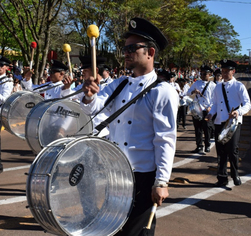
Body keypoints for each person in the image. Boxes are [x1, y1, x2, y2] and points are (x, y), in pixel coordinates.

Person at [79, 17, 178, 235]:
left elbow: (165, 139)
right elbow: (92, 112)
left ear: (150, 52)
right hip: (115, 173)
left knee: (137, 232)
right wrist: (88, 97)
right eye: (124, 48)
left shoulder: (163, 91)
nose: (126, 52)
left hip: (143, 176)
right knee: (114, 230)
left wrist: (161, 180)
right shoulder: (118, 84)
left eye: (132, 48)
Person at [205, 59, 251, 187]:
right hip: (220, 121)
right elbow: (214, 104)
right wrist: (210, 114)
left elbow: (247, 104)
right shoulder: (218, 86)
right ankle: (222, 176)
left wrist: (239, 112)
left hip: (233, 123)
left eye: (227, 71)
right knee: (221, 151)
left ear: (233, 72)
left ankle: (235, 174)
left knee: (232, 149)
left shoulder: (239, 86)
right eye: (223, 71)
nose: (224, 74)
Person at [187, 65, 216, 153]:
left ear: (209, 74)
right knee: (198, 129)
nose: (202, 75)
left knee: (207, 128)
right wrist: (193, 91)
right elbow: (188, 92)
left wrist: (210, 107)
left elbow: (215, 98)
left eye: (205, 74)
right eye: (201, 74)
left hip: (206, 110)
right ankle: (199, 146)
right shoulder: (197, 83)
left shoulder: (213, 85)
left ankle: (207, 145)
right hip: (197, 109)